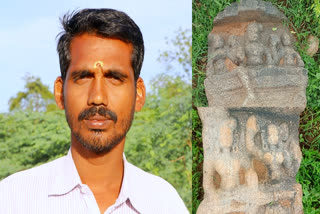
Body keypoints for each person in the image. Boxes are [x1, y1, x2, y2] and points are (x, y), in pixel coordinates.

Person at [0, 9, 188, 214]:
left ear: (139, 94)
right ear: (60, 93)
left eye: (114, 78)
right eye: (84, 77)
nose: (98, 97)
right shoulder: (14, 199)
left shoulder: (164, 203)